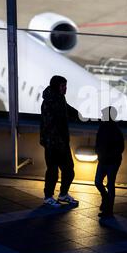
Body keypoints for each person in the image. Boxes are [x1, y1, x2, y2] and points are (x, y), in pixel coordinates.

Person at [40, 75, 80, 207]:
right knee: (53, 171)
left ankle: (62, 194)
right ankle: (48, 197)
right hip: (53, 144)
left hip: (61, 143)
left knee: (68, 170)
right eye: (63, 86)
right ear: (57, 87)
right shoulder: (50, 102)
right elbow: (51, 125)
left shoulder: (59, 97)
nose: (65, 88)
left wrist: (76, 114)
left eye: (65, 86)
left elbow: (65, 108)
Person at [94, 106, 125, 218]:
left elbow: (120, 147)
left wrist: (105, 154)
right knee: (98, 182)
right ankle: (106, 199)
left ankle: (108, 208)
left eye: (104, 115)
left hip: (111, 161)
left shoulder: (114, 130)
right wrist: (98, 152)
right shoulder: (103, 127)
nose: (102, 116)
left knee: (109, 184)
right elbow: (98, 142)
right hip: (104, 160)